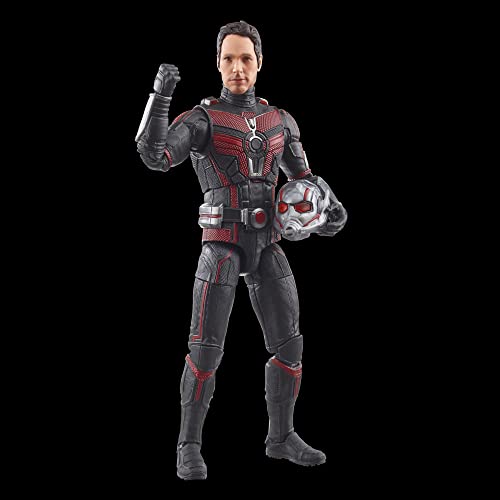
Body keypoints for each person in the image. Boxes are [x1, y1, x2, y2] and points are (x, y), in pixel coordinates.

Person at [136, 20, 347, 480]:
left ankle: (281, 437)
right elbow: (155, 155)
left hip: (268, 242)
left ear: (259, 63)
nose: (237, 67)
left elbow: (304, 180)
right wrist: (161, 96)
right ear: (217, 63)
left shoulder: (280, 121)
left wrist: (330, 212)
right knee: (205, 349)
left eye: (245, 58)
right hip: (221, 245)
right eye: (228, 58)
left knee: (290, 343)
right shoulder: (203, 118)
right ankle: (189, 444)